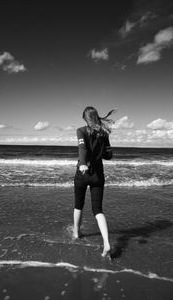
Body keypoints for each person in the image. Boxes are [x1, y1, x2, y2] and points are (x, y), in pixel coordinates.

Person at [73, 106, 115, 258]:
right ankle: (106, 242)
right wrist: (101, 150)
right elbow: (109, 155)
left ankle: (76, 233)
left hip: (83, 173)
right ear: (96, 117)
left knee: (79, 205)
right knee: (98, 210)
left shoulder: (81, 130)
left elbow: (82, 147)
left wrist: (83, 163)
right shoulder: (104, 133)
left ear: (85, 118)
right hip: (98, 175)